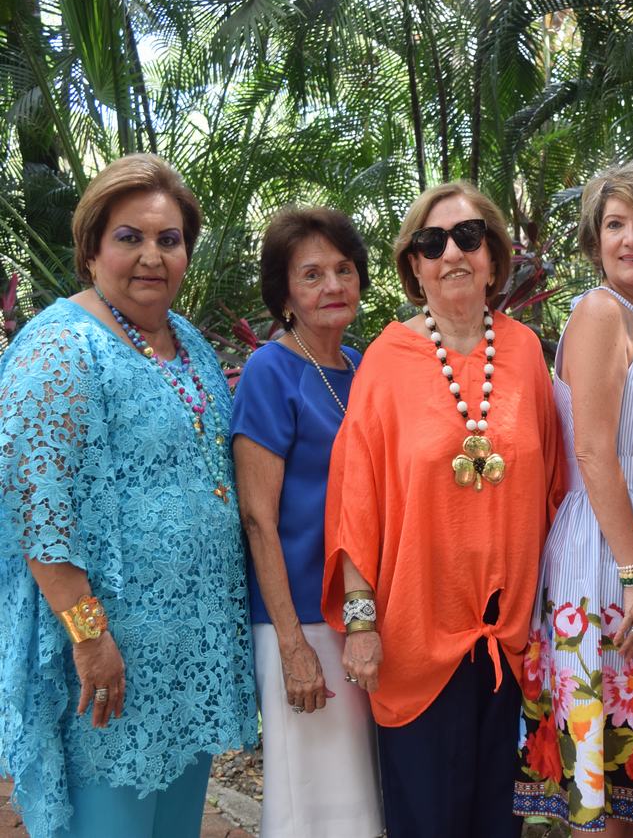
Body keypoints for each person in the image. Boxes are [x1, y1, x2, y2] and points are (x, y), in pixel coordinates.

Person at [0, 153, 257, 838]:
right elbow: (40, 512)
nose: (151, 256)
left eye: (167, 240)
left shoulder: (189, 343)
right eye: (129, 237)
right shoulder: (59, 346)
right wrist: (90, 639)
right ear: (91, 250)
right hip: (111, 664)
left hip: (186, 655)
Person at [321, 181, 565, 838]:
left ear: (492, 253)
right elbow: (355, 502)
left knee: (496, 823)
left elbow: (554, 491)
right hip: (414, 639)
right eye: (432, 243)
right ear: (413, 264)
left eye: (467, 236)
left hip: (508, 640)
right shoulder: (386, 361)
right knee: (426, 820)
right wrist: (363, 624)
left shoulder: (523, 354)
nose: (450, 253)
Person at [513, 159, 633, 834]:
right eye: (614, 224)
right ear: (594, 242)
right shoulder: (598, 313)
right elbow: (592, 451)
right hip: (608, 547)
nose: (630, 239)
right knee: (604, 779)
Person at [231, 207, 382, 837]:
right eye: (312, 274)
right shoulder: (271, 370)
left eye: (343, 269)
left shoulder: (362, 364)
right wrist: (292, 645)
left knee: (361, 801)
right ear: (285, 292)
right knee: (312, 806)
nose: (332, 286)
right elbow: (258, 519)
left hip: (360, 618)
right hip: (300, 620)